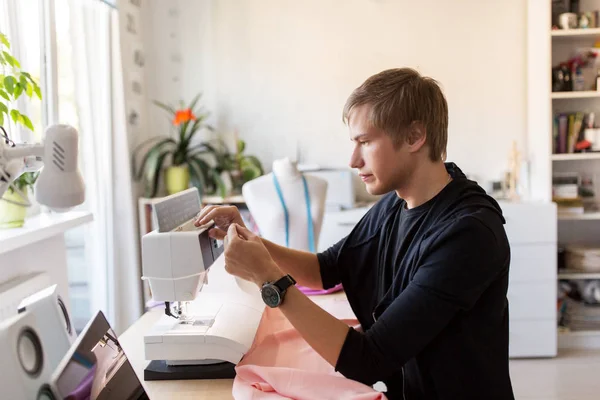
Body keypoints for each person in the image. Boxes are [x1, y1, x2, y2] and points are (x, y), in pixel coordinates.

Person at [194, 68, 514, 400]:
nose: (352, 160)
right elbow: (326, 269)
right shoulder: (397, 202)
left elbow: (369, 360)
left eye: (365, 141)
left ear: (414, 137)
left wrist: (267, 278)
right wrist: (252, 240)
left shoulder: (467, 234)